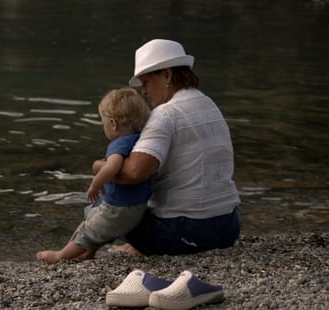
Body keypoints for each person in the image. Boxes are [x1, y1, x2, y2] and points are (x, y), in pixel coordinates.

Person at [94, 39, 241, 256]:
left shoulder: (165, 114)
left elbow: (134, 173)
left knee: (101, 198)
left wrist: (99, 167)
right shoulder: (209, 104)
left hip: (187, 233)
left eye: (145, 82)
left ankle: (89, 246)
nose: (143, 91)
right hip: (228, 228)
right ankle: (139, 245)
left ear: (167, 75)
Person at [36, 88, 152, 264]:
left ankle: (60, 256)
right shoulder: (142, 140)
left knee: (88, 230)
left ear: (113, 124)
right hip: (138, 208)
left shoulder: (119, 144)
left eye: (103, 123)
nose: (103, 127)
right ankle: (88, 252)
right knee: (94, 215)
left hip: (118, 209)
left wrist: (95, 185)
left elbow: (111, 167)